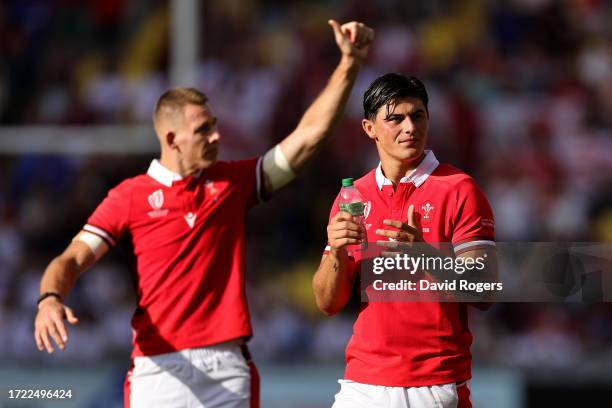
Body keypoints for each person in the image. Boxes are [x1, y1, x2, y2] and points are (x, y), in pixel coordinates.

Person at [34, 20, 374, 408]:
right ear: (171, 139)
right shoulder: (129, 196)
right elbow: (73, 258)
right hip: (156, 368)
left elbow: (306, 140)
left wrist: (348, 65)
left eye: (214, 126)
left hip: (226, 368)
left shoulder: (233, 182)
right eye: (203, 130)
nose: (216, 136)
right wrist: (49, 298)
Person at [312, 73, 497, 408]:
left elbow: (483, 291)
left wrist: (423, 254)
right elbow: (328, 302)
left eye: (418, 116)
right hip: (361, 384)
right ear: (369, 128)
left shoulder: (459, 189)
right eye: (395, 119)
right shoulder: (352, 195)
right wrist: (335, 252)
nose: (409, 127)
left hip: (432, 384)